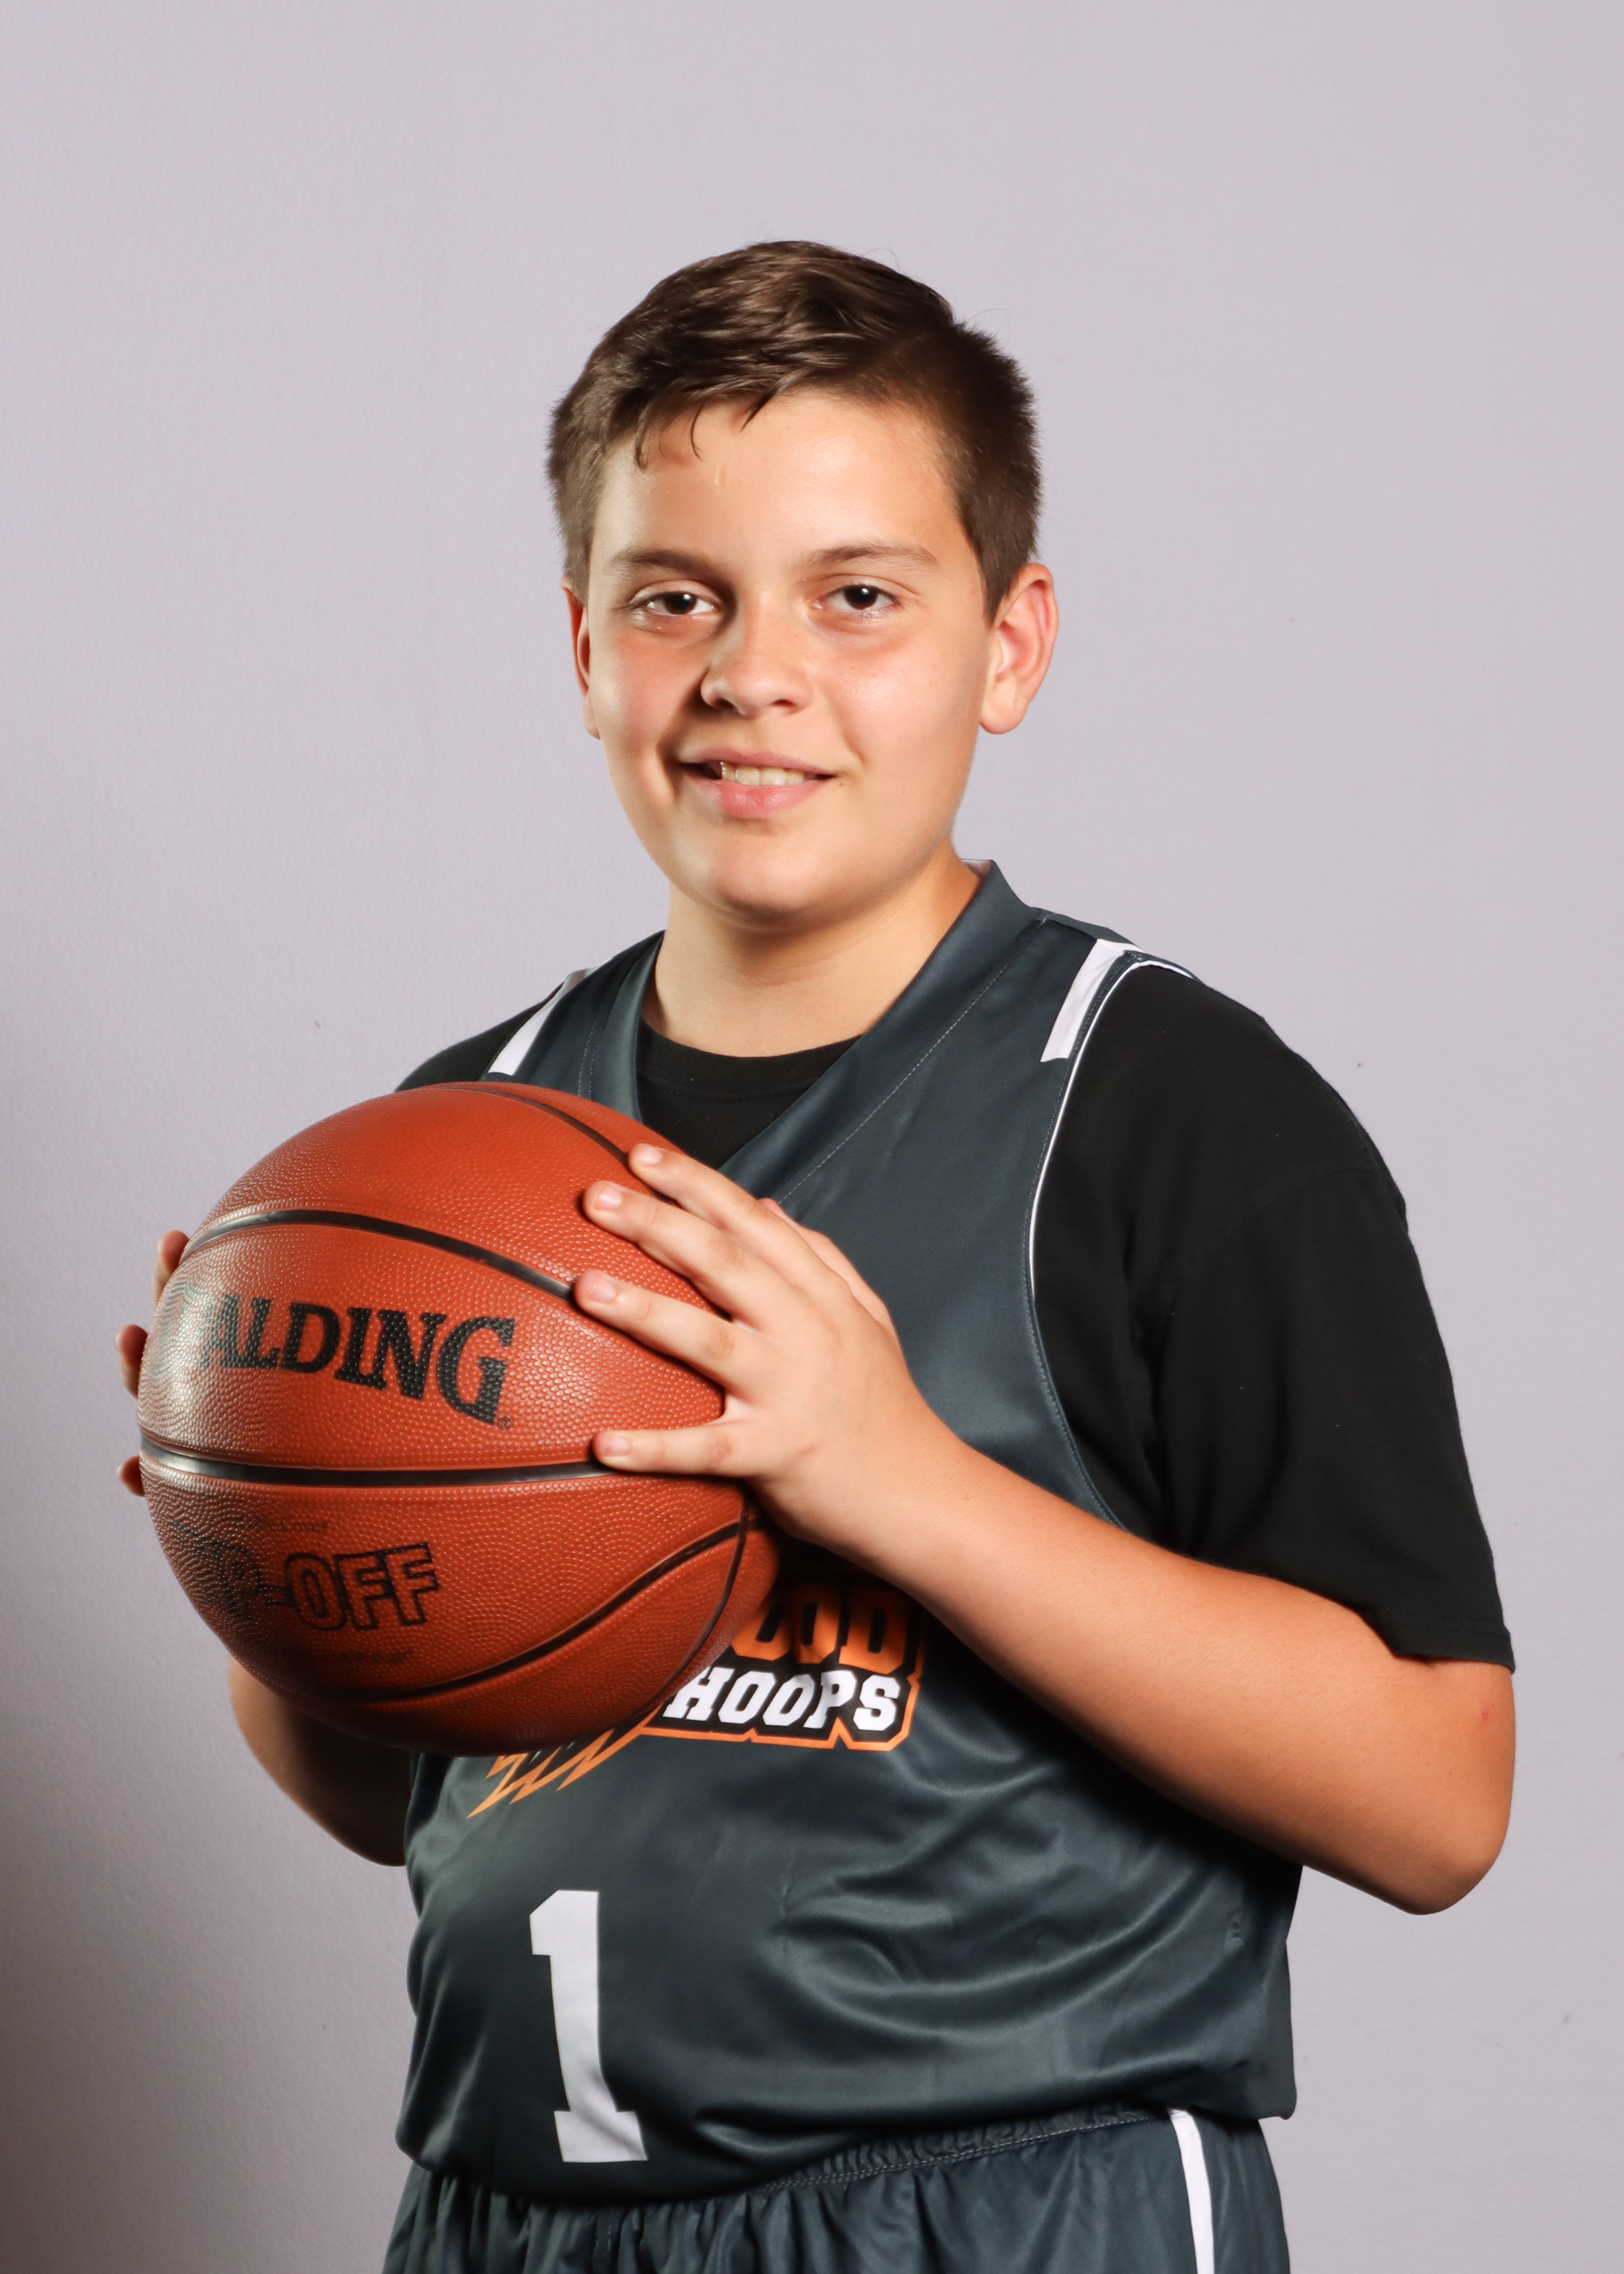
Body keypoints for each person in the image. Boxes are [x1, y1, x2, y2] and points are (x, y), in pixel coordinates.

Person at [116, 242, 1514, 2273]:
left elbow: (1435, 1795)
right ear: (581, 644)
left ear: (1008, 644)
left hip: (1003, 2203)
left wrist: (903, 1481)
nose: (750, 671)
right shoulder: (458, 1131)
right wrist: (270, 1523)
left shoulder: (1166, 1114)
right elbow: (397, 1781)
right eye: (671, 595)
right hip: (508, 2209)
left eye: (856, 596)